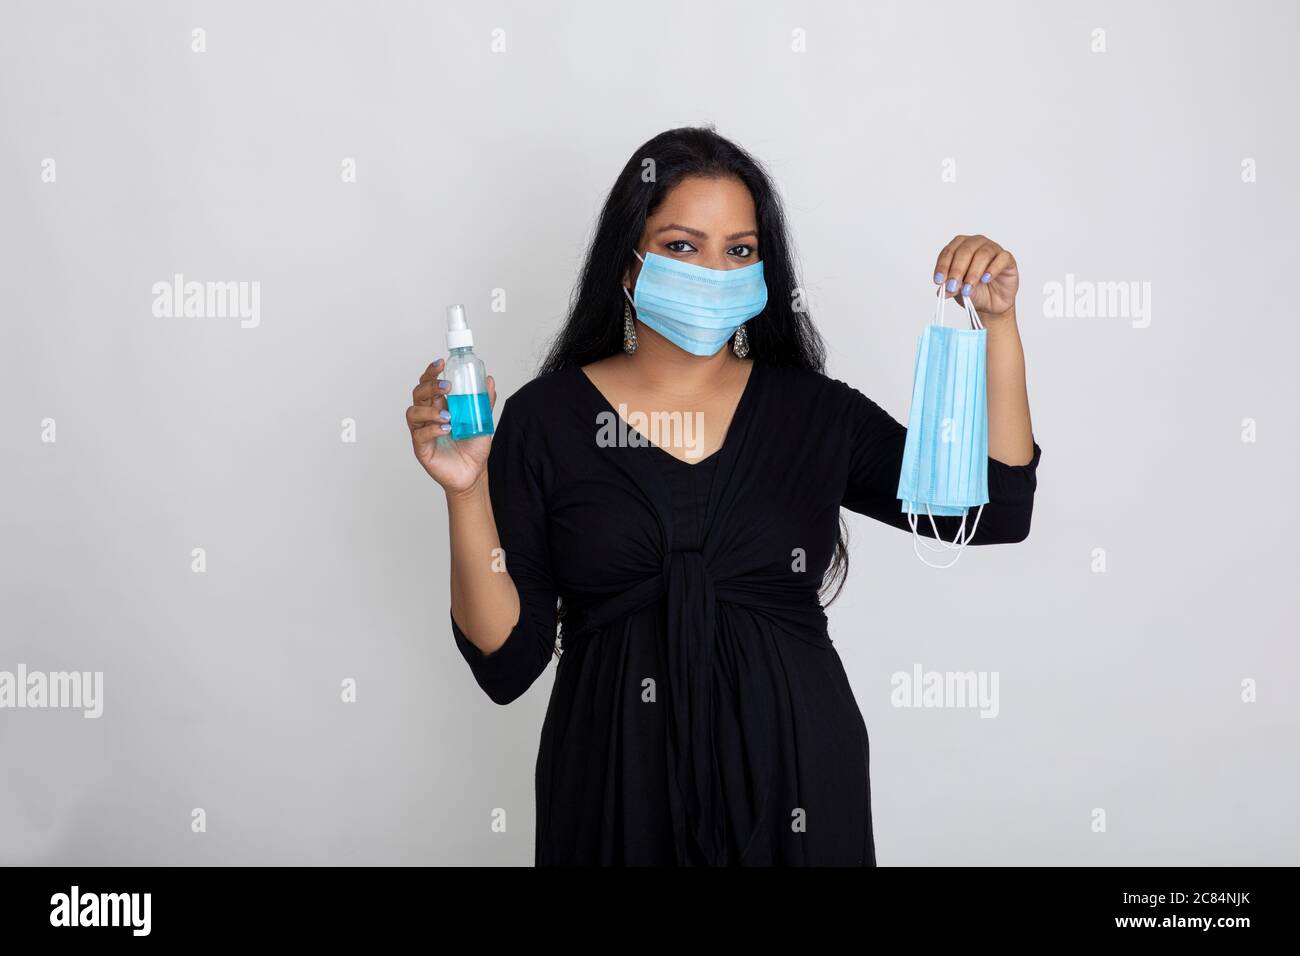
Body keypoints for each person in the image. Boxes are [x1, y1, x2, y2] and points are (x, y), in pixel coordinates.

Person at [406, 126, 1041, 865]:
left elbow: (997, 509)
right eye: (683, 245)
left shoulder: (813, 412)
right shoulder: (548, 419)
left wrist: (998, 323)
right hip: (612, 787)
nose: (715, 270)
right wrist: (467, 489)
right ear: (627, 261)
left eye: (739, 250)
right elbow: (506, 664)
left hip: (797, 776)